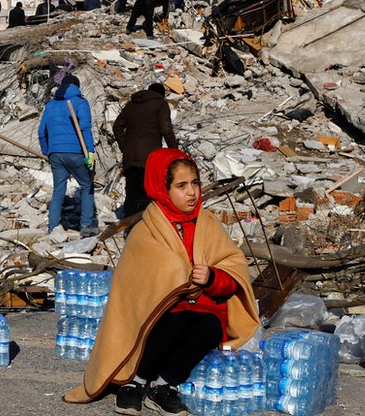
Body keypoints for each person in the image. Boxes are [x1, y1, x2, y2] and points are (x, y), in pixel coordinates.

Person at [63, 148, 260, 415]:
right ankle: (136, 381)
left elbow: (234, 271)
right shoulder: (147, 230)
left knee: (210, 325)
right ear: (162, 189)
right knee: (174, 320)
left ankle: (164, 384)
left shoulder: (209, 224)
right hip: (162, 310)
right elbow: (135, 288)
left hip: (203, 306)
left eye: (195, 183)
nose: (191, 192)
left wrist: (212, 277)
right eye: (181, 186)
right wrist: (177, 277)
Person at [38, 74, 99, 237]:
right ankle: (86, 225)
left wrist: (47, 151)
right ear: (77, 87)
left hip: (56, 154)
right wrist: (90, 151)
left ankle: (53, 227)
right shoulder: (80, 102)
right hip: (76, 152)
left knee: (59, 190)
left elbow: (41, 132)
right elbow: (84, 128)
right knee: (87, 185)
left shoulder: (50, 105)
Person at [113, 83, 178, 217]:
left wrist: (124, 146)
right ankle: (145, 226)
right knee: (148, 191)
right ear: (161, 94)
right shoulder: (160, 104)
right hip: (150, 158)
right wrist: (175, 151)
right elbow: (166, 129)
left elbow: (117, 126)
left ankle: (129, 227)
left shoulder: (131, 105)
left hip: (130, 158)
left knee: (131, 192)